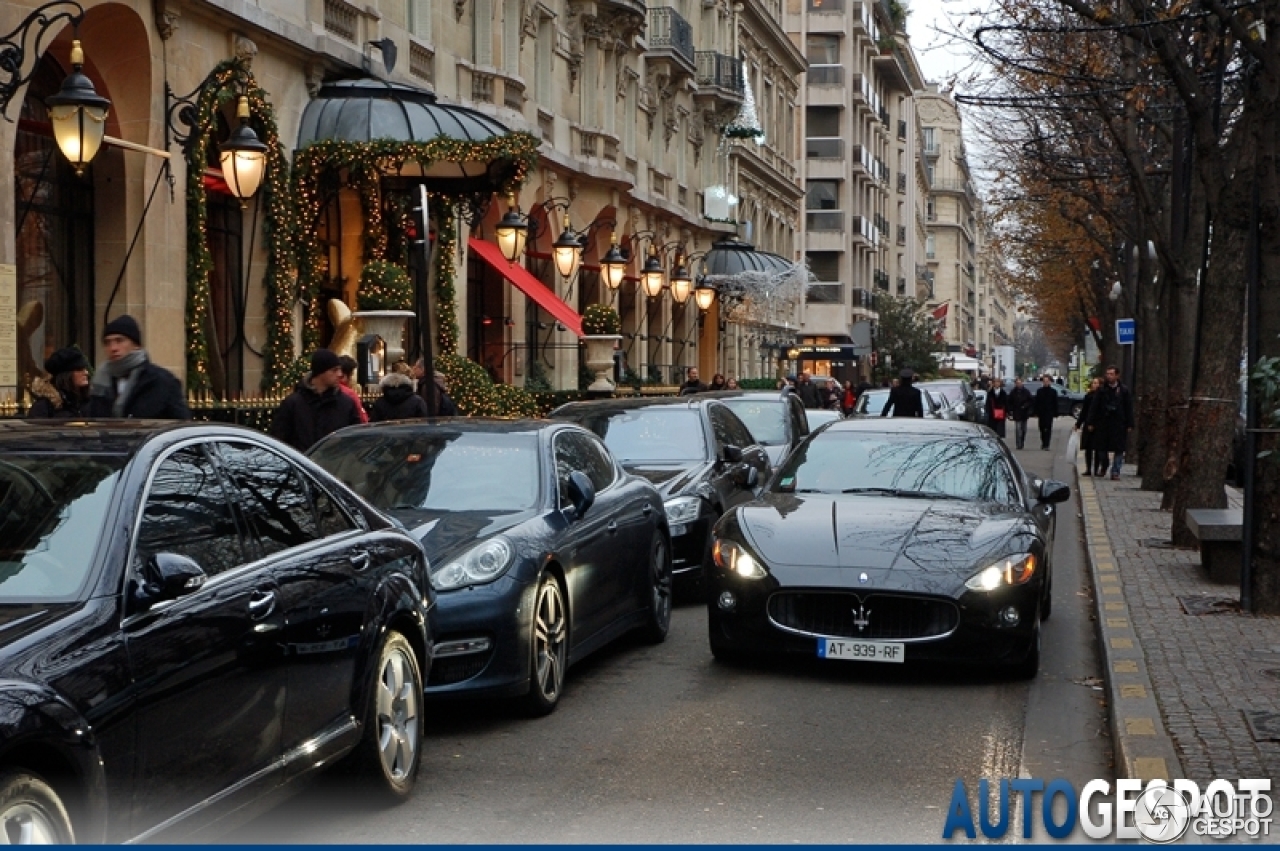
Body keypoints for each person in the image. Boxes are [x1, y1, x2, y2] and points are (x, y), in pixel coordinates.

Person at [88, 315, 191, 420]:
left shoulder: (161, 381)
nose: (113, 348)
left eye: (119, 341)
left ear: (136, 345)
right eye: (107, 343)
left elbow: (181, 424)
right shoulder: (100, 381)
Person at [270, 348, 362, 452]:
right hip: (301, 464)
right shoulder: (293, 404)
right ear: (320, 372)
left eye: (339, 369)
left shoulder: (346, 403)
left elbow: (356, 438)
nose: (340, 374)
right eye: (334, 370)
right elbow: (279, 439)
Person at [1085, 365, 1135, 479]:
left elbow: (1128, 407)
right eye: (1107, 374)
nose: (1109, 376)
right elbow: (1094, 406)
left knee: (1119, 449)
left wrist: (1130, 423)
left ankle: (1115, 471)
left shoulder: (1123, 390)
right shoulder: (1102, 390)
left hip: (1118, 424)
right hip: (1103, 423)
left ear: (1117, 375)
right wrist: (1091, 422)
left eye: (1111, 374)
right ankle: (1105, 465)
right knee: (1102, 449)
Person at [28, 347, 90, 419]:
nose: (86, 373)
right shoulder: (44, 407)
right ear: (66, 375)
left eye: (85, 369)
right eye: (79, 369)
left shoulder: (87, 402)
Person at [1075, 378, 1104, 475]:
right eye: (1093, 383)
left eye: (1096, 383)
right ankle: (1088, 469)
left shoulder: (1102, 396)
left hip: (1099, 425)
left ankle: (1096, 469)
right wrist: (1078, 424)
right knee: (1088, 448)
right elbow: (1084, 412)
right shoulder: (1088, 396)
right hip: (1088, 424)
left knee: (1097, 448)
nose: (1094, 385)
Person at [337, 355, 370, 424]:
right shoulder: (349, 394)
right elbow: (363, 419)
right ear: (344, 375)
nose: (351, 379)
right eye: (351, 375)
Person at [1032, 375, 1059, 450]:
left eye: (1047, 381)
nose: (1046, 382)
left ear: (1050, 382)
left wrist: (1056, 412)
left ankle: (1046, 444)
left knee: (1048, 428)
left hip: (1049, 413)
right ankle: (1043, 442)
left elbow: (1055, 402)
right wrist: (1035, 412)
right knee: (1041, 428)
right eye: (1044, 381)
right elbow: (1036, 402)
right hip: (1041, 413)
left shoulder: (1053, 392)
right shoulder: (1039, 391)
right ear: (1042, 382)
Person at [1007, 377, 1034, 450]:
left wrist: (1026, 406)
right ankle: (1018, 444)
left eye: (1020, 383)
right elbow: (1009, 402)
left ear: (1022, 383)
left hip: (1024, 413)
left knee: (1024, 429)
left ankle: (1022, 441)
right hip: (1017, 412)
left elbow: (1031, 401)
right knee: (1018, 429)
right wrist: (1010, 411)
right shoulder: (1013, 392)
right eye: (1017, 383)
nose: (1019, 384)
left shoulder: (1026, 392)